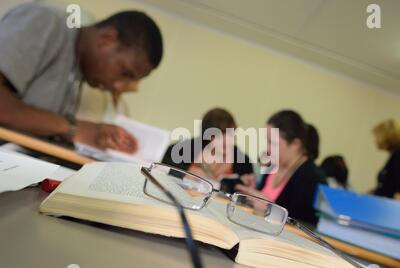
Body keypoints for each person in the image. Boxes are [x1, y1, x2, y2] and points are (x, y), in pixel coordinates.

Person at [0, 3, 163, 153]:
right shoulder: (46, 21)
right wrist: (73, 127)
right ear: (107, 39)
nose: (120, 87)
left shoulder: (78, 70)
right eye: (125, 73)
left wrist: (93, 136)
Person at [236, 110, 327, 226]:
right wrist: (253, 191)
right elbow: (262, 201)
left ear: (295, 144)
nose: (267, 148)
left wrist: (269, 209)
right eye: (267, 141)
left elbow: (304, 226)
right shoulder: (273, 165)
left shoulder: (312, 179)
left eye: (272, 143)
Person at [162, 108, 254, 188]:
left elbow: (244, 193)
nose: (226, 141)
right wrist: (185, 173)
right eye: (219, 135)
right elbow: (163, 167)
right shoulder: (184, 149)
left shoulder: (243, 162)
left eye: (230, 134)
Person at [371, 119, 400, 202]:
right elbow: (388, 186)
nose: (375, 141)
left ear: (387, 136)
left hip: (390, 210)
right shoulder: (397, 154)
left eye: (377, 136)